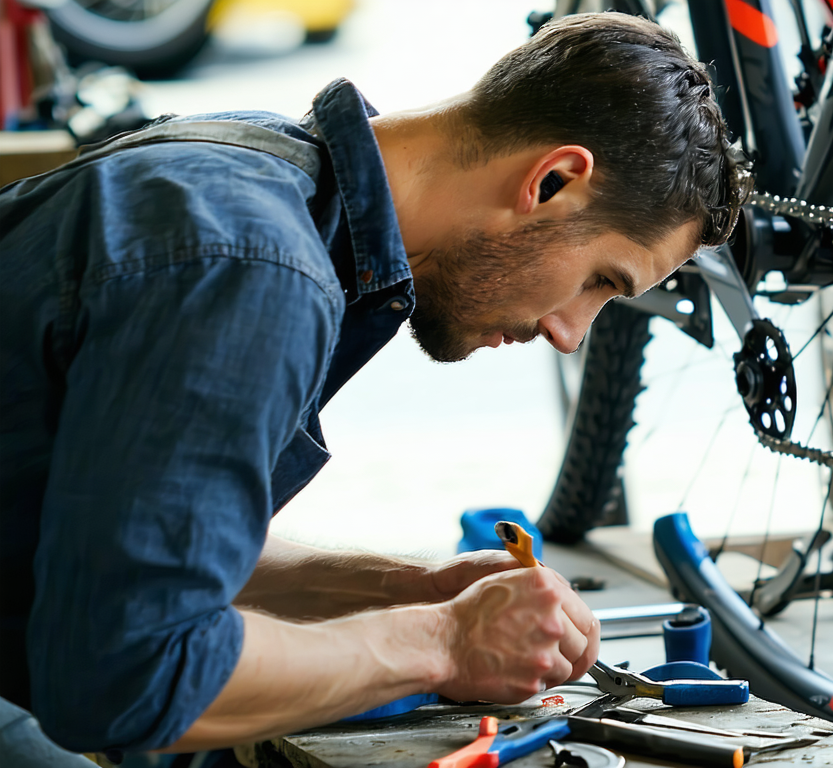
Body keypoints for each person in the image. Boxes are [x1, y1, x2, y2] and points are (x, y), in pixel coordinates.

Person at [0, 11, 747, 762]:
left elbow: (155, 545)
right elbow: (133, 672)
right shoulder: (255, 267)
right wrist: (445, 644)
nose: (571, 333)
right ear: (552, 181)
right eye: (601, 281)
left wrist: (418, 588)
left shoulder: (258, 172)